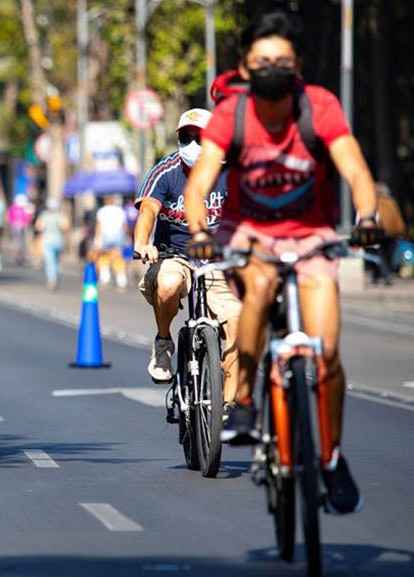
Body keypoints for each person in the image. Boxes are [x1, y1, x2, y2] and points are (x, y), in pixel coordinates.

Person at [183, 10, 383, 515]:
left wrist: (367, 216)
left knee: (328, 352)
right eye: (261, 60)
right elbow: (200, 182)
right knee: (261, 284)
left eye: (282, 60)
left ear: (298, 65)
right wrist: (202, 232)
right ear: (245, 68)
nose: (272, 67)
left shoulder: (319, 106)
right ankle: (245, 403)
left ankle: (332, 457)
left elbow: (355, 168)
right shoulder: (232, 114)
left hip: (312, 237)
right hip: (248, 235)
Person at [133, 108, 241, 415]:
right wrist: (142, 244)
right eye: (186, 137)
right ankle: (164, 342)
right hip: (174, 256)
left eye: (201, 138)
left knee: (238, 321)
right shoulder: (166, 171)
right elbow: (148, 212)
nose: (192, 144)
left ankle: (227, 403)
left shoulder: (232, 173)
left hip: (221, 262)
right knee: (167, 285)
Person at [93, 194, 130, 292]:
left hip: (106, 235)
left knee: (104, 257)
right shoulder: (120, 211)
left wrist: (97, 239)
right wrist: (127, 237)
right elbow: (124, 225)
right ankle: (121, 280)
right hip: (118, 235)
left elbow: (99, 226)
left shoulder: (101, 211)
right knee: (118, 257)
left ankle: (105, 278)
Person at [35, 197, 69, 291]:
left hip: (47, 240)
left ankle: (52, 279)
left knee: (50, 261)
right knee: (57, 260)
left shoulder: (44, 215)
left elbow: (38, 227)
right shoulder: (61, 215)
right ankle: (56, 275)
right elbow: (65, 226)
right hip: (58, 239)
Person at [6, 194, 35, 266]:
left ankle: (21, 252)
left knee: (21, 240)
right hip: (18, 225)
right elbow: (9, 216)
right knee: (20, 240)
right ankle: (20, 252)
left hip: (21, 225)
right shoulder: (14, 207)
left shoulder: (25, 207)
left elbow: (8, 217)